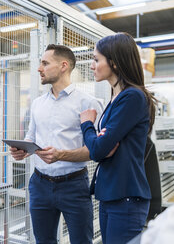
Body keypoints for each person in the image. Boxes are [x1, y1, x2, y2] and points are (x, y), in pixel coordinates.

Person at [10, 44, 104, 244]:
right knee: (43, 241)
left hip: (74, 186)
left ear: (63, 66)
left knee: (81, 241)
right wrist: (23, 150)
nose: (39, 68)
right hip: (39, 184)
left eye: (45, 63)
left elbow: (97, 150)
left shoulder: (88, 103)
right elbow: (31, 136)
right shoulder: (37, 103)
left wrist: (61, 155)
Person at [80, 32, 157, 244]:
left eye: (96, 60)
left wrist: (87, 124)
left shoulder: (132, 96)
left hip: (126, 198)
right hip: (111, 195)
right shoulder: (117, 97)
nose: (92, 65)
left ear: (113, 62)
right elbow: (102, 146)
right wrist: (100, 141)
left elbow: (97, 149)